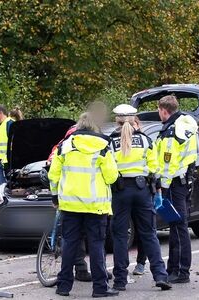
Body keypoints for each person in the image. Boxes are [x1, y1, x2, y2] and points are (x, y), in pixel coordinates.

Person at [49, 113, 119, 298]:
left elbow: (53, 175)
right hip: (95, 206)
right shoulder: (103, 146)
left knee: (69, 244)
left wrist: (55, 197)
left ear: (79, 126)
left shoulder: (65, 145)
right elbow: (112, 176)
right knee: (96, 246)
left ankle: (63, 286)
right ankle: (100, 288)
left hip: (70, 205)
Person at [108, 104, 171, 291]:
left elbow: (108, 170)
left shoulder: (110, 142)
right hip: (142, 190)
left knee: (120, 236)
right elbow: (154, 167)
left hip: (120, 191)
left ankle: (120, 280)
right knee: (149, 233)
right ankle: (160, 276)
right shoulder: (145, 140)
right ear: (134, 120)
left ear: (117, 121)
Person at [154, 95, 198, 284]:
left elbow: (168, 163)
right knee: (176, 226)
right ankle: (174, 267)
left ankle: (181, 271)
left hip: (173, 183)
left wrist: (161, 185)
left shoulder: (173, 131)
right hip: (180, 182)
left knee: (179, 227)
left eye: (158, 110)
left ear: (164, 110)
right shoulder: (184, 125)